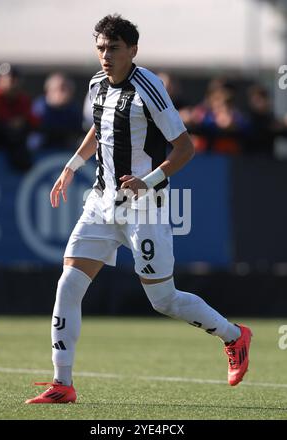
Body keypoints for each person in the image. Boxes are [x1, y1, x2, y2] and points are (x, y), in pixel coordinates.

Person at [25, 14, 252, 404]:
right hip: (100, 203)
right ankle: (62, 383)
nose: (105, 56)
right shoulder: (97, 84)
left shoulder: (149, 87)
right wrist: (71, 166)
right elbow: (100, 128)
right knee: (68, 285)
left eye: (113, 48)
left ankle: (234, 336)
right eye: (100, 48)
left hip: (144, 208)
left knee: (163, 300)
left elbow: (185, 148)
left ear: (132, 50)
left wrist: (145, 183)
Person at [31, 72, 83, 150]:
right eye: (60, 89)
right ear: (48, 90)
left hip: (66, 153)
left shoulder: (74, 109)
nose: (64, 92)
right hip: (41, 153)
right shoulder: (40, 108)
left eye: (68, 89)